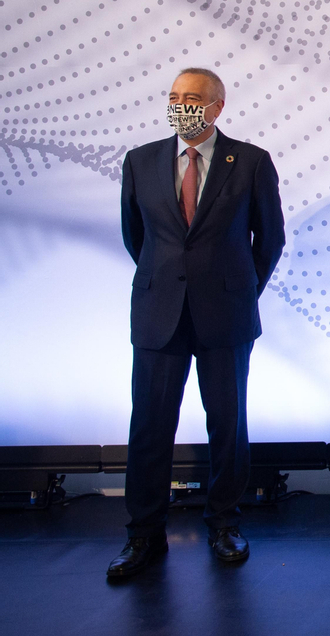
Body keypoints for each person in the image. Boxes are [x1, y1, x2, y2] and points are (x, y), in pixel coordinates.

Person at [108, 68, 285, 579]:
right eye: (173, 97)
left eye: (192, 98)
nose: (180, 104)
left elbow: (269, 239)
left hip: (225, 314)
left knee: (227, 427)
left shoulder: (250, 161)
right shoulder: (140, 161)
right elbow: (135, 236)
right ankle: (143, 535)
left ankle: (224, 524)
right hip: (159, 312)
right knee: (149, 426)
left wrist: (240, 287)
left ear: (216, 106)